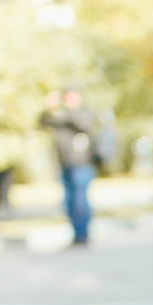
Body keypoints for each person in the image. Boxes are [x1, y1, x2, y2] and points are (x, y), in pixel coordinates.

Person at [39, 86, 99, 246]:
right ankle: (76, 234)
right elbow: (43, 124)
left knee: (80, 200)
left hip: (82, 164)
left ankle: (83, 234)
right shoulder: (61, 115)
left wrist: (71, 109)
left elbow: (84, 125)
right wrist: (48, 108)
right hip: (65, 164)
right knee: (69, 202)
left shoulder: (84, 113)